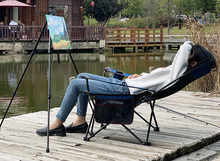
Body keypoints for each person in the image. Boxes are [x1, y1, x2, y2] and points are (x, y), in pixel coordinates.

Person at [36, 41, 215, 137]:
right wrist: (141, 76)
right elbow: (156, 79)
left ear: (191, 61)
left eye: (190, 53)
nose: (185, 51)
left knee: (76, 84)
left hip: (124, 91)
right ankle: (79, 122)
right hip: (128, 86)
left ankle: (57, 125)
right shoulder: (177, 71)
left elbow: (184, 47)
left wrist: (190, 44)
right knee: (82, 76)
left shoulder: (179, 72)